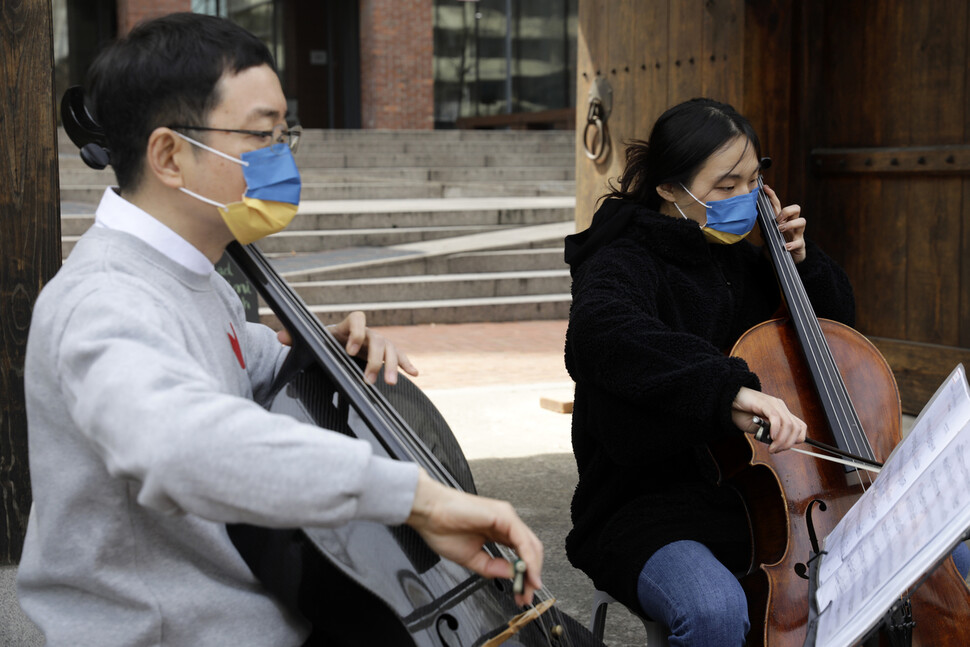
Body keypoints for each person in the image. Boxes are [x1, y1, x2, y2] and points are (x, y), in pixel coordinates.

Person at [18, 13, 541, 646]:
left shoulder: (196, 278)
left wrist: (328, 352)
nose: (283, 157)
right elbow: (181, 442)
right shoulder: (104, 298)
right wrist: (416, 499)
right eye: (263, 136)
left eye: (285, 134)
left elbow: (245, 360)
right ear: (168, 155)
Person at [562, 98, 856, 646]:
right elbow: (606, 332)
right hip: (645, 508)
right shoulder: (621, 262)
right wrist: (729, 391)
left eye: (753, 180)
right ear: (671, 189)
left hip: (761, 501)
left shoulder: (747, 263)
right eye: (725, 186)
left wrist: (802, 264)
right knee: (713, 611)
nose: (746, 199)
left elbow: (838, 338)